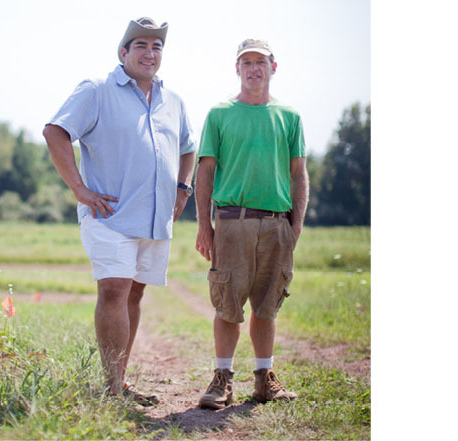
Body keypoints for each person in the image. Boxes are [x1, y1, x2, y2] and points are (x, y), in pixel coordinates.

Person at [43, 17, 196, 406]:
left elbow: (188, 147)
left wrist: (182, 188)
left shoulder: (173, 100)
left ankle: (119, 382)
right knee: (113, 288)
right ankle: (111, 390)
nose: (150, 53)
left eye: (156, 46)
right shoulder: (96, 89)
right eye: (141, 45)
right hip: (108, 215)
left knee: (134, 294)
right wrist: (79, 189)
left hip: (154, 217)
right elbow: (55, 131)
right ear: (123, 53)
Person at [194, 39, 309, 409]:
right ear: (237, 69)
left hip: (277, 225)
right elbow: (205, 173)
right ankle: (222, 380)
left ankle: (264, 379)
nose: (254, 68)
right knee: (228, 304)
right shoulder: (220, 114)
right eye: (247, 62)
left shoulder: (289, 117)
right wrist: (203, 225)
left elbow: (299, 174)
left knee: (267, 306)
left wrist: (296, 225)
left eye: (261, 61)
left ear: (273, 68)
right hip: (232, 221)